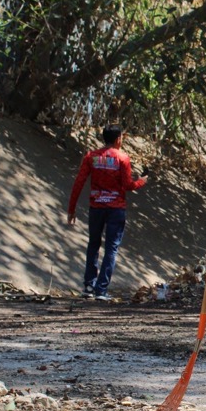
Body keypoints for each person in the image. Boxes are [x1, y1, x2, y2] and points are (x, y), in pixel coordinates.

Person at [67, 124, 148, 300]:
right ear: (118, 139)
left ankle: (88, 286)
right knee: (111, 248)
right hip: (116, 209)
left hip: (96, 207)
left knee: (93, 244)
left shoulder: (91, 156)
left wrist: (71, 209)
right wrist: (141, 181)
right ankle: (101, 290)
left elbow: (79, 182)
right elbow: (128, 186)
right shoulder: (122, 158)